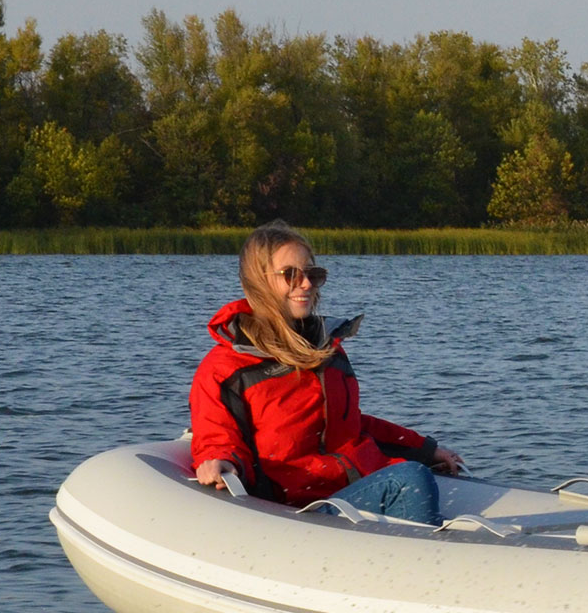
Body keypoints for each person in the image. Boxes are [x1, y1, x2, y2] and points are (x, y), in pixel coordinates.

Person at [189, 220, 464, 523]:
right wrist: (221, 461)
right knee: (410, 478)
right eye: (290, 274)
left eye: (313, 274)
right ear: (258, 282)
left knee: (416, 472)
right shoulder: (225, 369)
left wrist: (426, 449)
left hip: (350, 489)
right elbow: (216, 435)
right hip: (295, 511)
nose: (306, 284)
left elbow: (351, 425)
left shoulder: (326, 351)